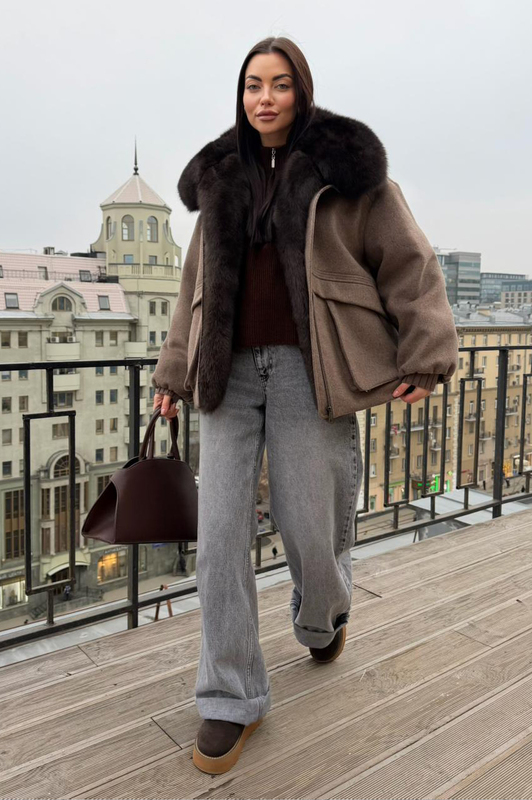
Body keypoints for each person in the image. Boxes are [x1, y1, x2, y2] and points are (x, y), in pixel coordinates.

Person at [151, 36, 458, 775]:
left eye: (279, 84)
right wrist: (173, 371)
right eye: (253, 85)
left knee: (310, 528)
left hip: (309, 371)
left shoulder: (345, 170)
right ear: (241, 95)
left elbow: (410, 263)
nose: (265, 98)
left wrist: (427, 352)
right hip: (227, 376)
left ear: (301, 90)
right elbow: (195, 286)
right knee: (220, 537)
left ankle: (324, 616)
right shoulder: (221, 174)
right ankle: (229, 695)